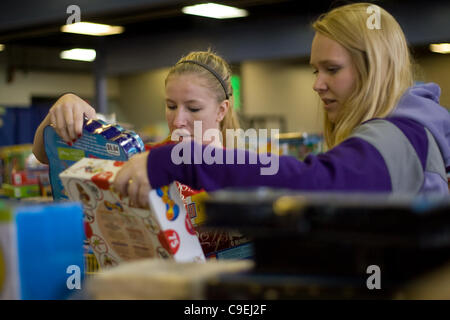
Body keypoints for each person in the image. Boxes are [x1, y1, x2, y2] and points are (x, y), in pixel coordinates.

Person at [112, 2, 450, 208]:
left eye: (332, 69)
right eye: (316, 70)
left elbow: (316, 182)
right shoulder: (406, 132)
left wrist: (179, 159)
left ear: (375, 67)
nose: (317, 84)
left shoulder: (401, 135)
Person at [32, 49, 239, 163]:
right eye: (171, 106)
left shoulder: (240, 170)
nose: (177, 121)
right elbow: (45, 156)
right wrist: (61, 110)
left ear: (221, 110)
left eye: (193, 109)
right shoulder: (144, 157)